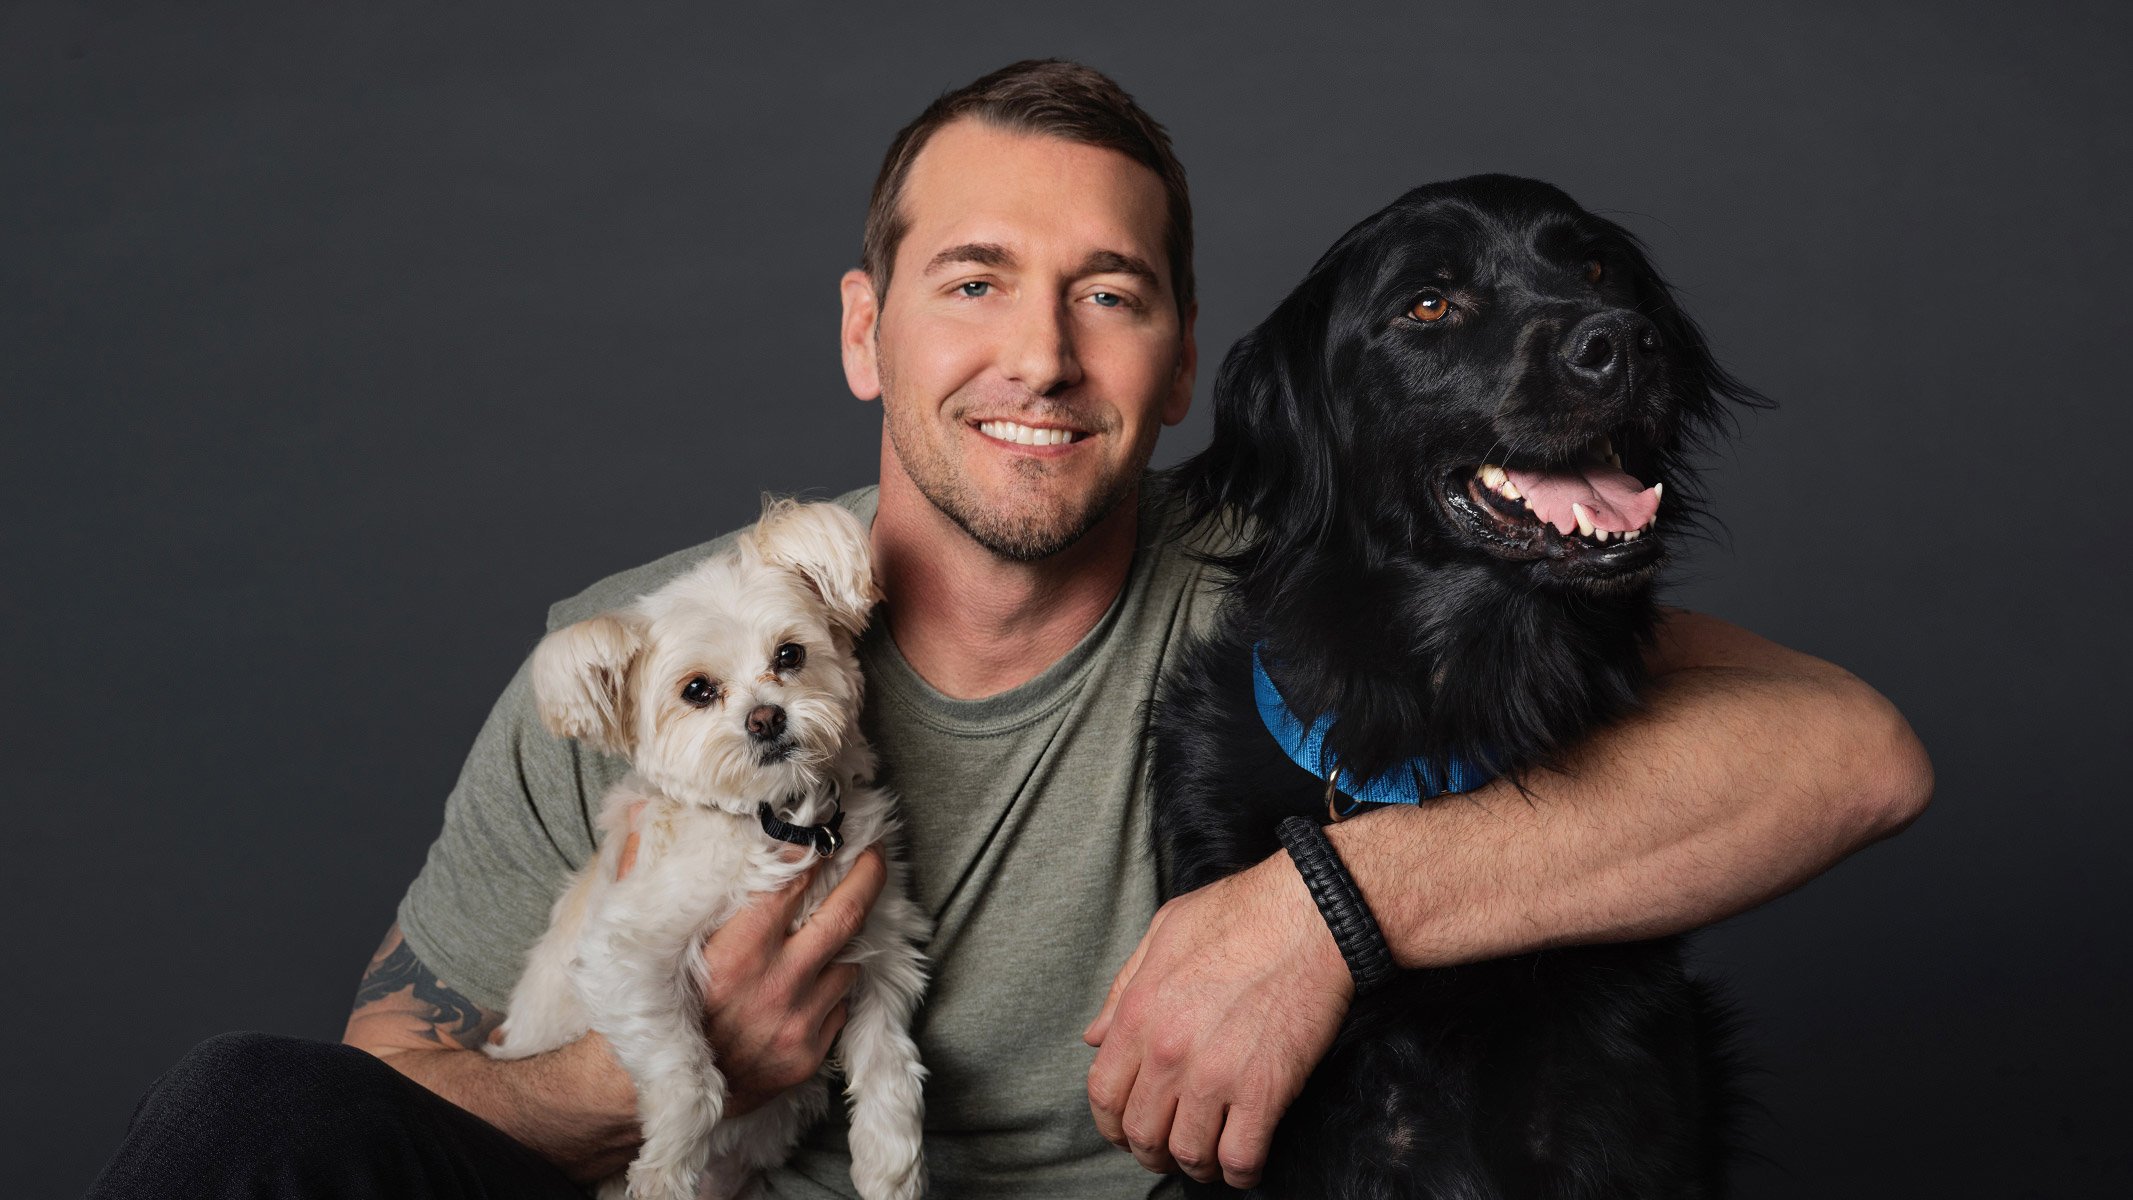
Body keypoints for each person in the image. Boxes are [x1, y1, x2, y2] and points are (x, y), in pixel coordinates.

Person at [89, 59, 1932, 1199]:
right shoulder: (640, 654)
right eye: (974, 284)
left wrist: (1333, 907)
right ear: (865, 332)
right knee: (246, 1111)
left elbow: (1847, 757)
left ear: (1185, 358)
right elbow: (385, 1092)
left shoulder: (1293, 582)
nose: (1040, 359)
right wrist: (662, 1065)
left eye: (1106, 295)